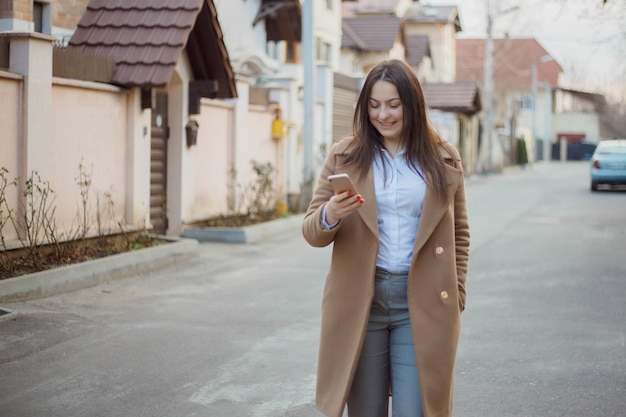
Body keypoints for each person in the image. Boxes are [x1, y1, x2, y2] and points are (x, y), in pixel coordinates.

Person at [302, 59, 470, 417]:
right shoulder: (344, 155)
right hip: (361, 299)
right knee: (366, 410)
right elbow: (311, 230)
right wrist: (331, 214)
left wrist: (456, 293)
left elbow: (460, 234)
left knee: (416, 409)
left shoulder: (444, 158)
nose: (383, 115)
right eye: (374, 105)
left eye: (394, 105)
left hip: (422, 300)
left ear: (412, 104)